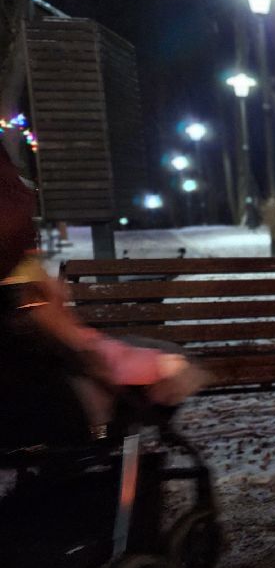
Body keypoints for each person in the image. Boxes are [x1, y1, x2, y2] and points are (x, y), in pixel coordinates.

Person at [0, 145, 200, 449]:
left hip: (39, 359)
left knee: (159, 361)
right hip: (40, 377)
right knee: (167, 363)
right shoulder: (20, 278)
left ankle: (94, 461)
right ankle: (93, 463)